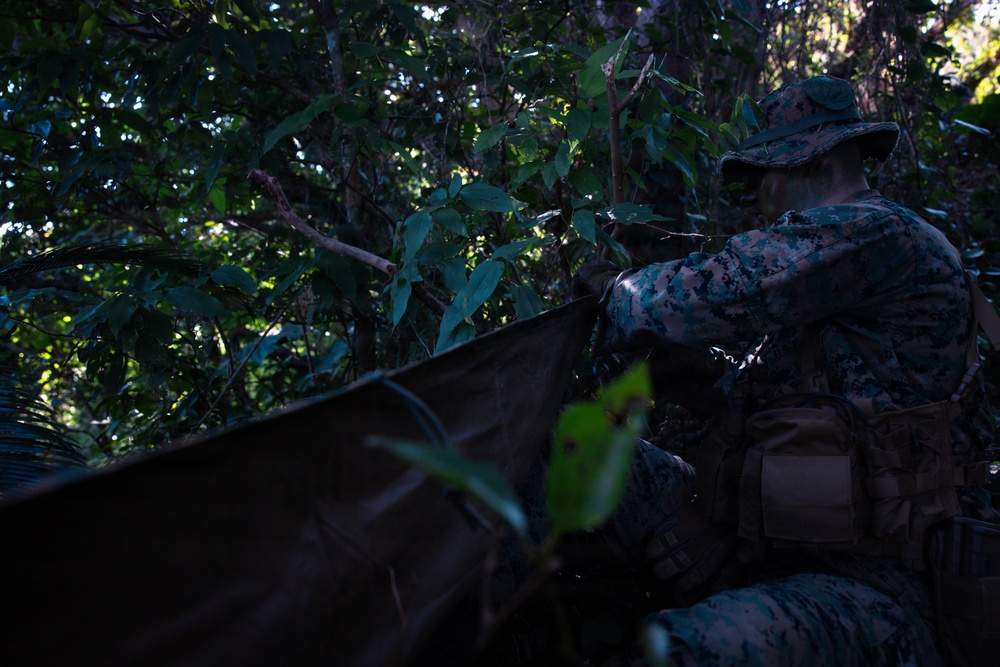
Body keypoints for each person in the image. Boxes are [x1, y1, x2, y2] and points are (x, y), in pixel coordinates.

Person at [574, 75, 1000, 666]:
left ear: (810, 160)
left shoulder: (871, 233)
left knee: (678, 652)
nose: (758, 197)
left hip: (881, 586)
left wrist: (616, 293)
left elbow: (695, 296)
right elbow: (780, 400)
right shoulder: (829, 269)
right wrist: (690, 377)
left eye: (762, 176)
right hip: (772, 543)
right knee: (570, 451)